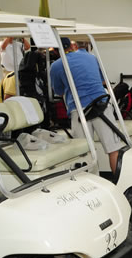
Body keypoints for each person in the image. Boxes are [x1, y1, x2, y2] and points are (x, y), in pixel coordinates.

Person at [50, 39, 124, 170]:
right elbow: (102, 81)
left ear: (55, 51)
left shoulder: (56, 66)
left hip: (78, 109)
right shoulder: (91, 57)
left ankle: (92, 183)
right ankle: (120, 184)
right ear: (72, 46)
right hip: (101, 104)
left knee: (84, 152)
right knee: (113, 149)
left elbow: (59, 91)